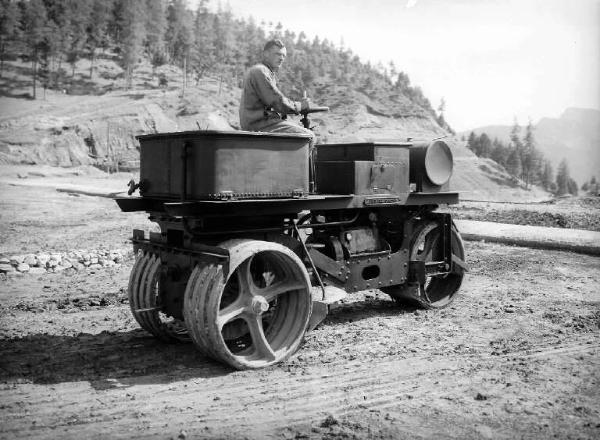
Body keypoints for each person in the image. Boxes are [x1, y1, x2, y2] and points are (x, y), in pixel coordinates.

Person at [239, 39, 314, 139]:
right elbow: (278, 102)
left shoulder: (265, 72)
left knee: (297, 129)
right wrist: (300, 106)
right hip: (259, 124)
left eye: (283, 56)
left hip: (261, 122)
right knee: (309, 136)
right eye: (278, 54)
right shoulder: (260, 71)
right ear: (266, 54)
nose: (281, 58)